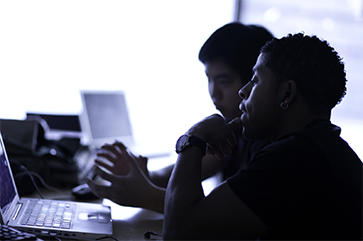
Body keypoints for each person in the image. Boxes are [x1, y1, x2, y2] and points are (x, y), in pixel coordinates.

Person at [162, 33, 363, 241]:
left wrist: (194, 137)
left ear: (287, 94)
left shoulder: (293, 159)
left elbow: (179, 232)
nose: (243, 91)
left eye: (255, 80)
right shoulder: (320, 148)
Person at [86, 22, 273, 213]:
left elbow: (223, 218)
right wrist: (145, 176)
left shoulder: (272, 149)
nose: (213, 93)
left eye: (224, 81)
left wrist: (145, 194)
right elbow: (186, 173)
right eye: (209, 79)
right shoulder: (236, 130)